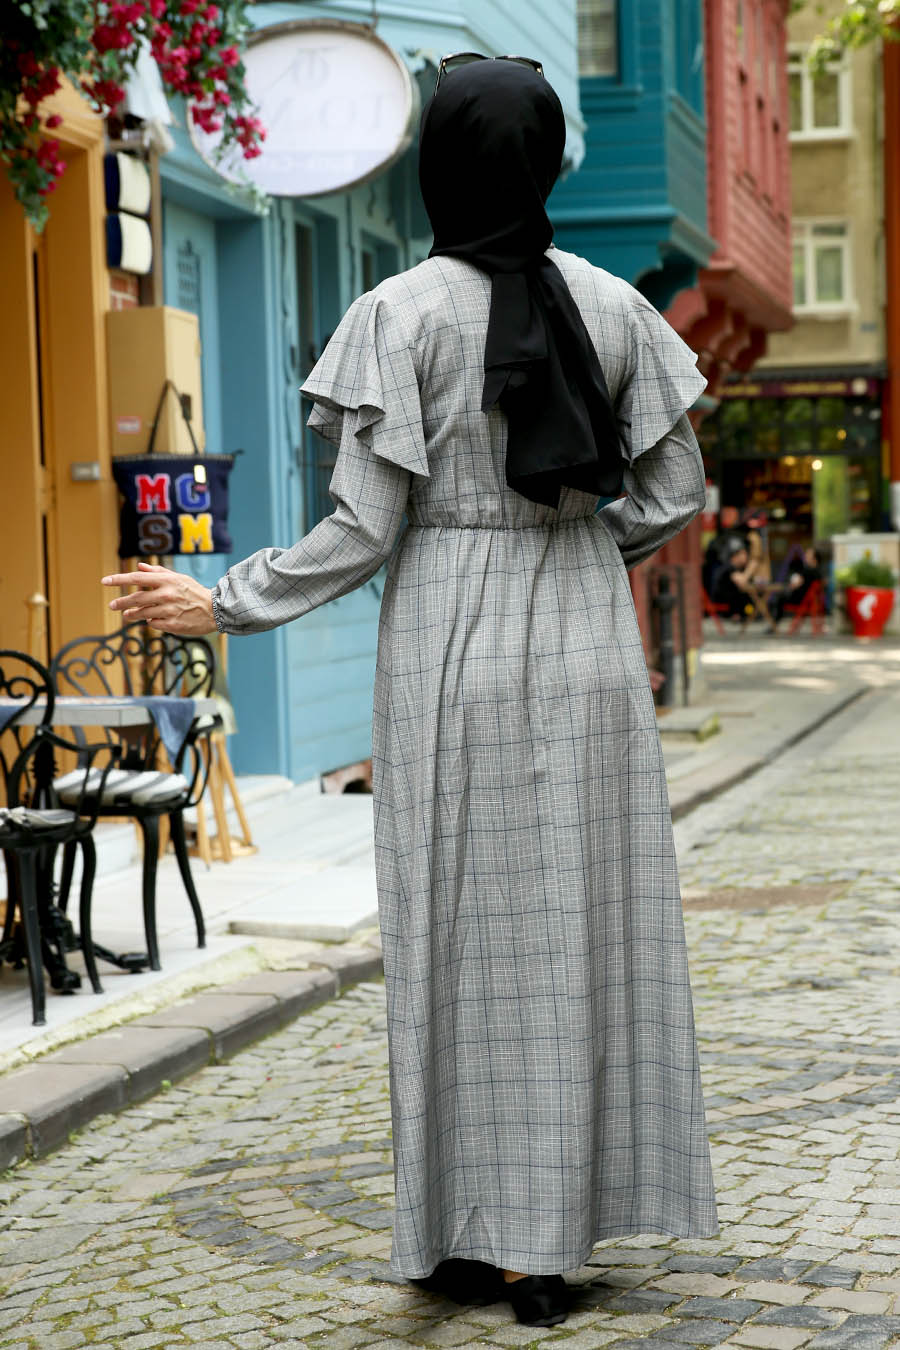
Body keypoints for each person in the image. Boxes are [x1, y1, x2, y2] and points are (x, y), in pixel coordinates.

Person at [102, 57, 718, 1328]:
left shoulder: (397, 314)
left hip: (450, 634)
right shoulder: (614, 306)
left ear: (440, 160)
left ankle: (454, 1234)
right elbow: (672, 495)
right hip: (587, 636)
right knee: (579, 931)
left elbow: (360, 531)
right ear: (546, 160)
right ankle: (552, 1251)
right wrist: (579, 558)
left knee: (449, 931)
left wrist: (222, 598)